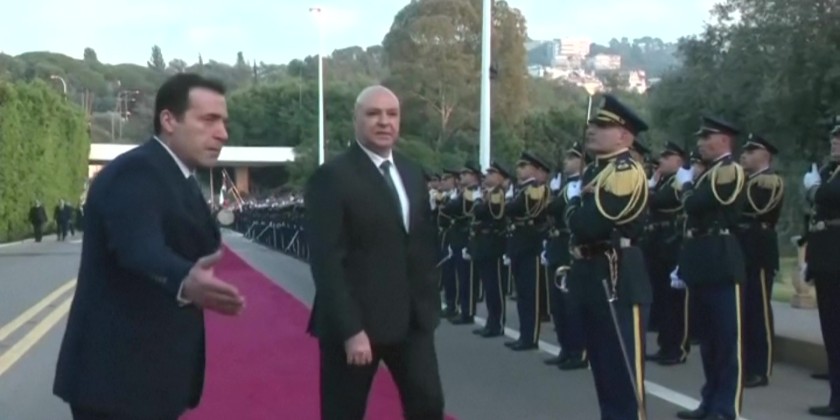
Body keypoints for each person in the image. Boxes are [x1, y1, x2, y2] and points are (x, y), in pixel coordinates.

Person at [53, 73, 246, 420]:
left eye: (224, 122)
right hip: (118, 382)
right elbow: (140, 248)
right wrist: (184, 279)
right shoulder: (137, 172)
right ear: (169, 120)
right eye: (208, 120)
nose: (222, 133)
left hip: (151, 377)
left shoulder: (181, 177)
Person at [304, 85, 445, 420]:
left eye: (392, 114)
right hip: (357, 325)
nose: (384, 122)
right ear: (356, 119)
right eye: (373, 114)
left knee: (428, 405)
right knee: (344, 413)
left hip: (412, 321)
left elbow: (421, 243)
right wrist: (351, 330)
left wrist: (428, 301)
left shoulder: (411, 172)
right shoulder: (331, 177)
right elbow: (327, 261)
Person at [565, 94, 651, 419]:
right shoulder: (595, 171)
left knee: (622, 373)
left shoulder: (625, 170)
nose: (592, 130)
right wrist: (575, 210)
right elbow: (575, 220)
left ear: (624, 136)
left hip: (617, 275)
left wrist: (574, 209)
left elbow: (589, 223)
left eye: (602, 126)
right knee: (603, 370)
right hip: (593, 272)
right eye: (593, 124)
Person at [674, 116, 746, 420]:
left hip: (720, 257)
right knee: (708, 340)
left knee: (726, 340)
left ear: (725, 140)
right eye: (700, 137)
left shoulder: (729, 169)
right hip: (701, 257)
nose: (700, 143)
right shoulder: (708, 173)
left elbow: (697, 204)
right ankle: (709, 401)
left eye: (707, 137)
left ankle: (725, 407)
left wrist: (687, 186)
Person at [736, 133, 784, 388]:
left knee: (758, 311)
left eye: (750, 152)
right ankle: (746, 365)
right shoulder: (747, 180)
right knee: (745, 310)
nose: (744, 155)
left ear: (765, 155)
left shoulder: (769, 181)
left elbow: (756, 208)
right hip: (743, 248)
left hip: (759, 250)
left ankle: (760, 368)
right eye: (744, 151)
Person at [802, 124, 840, 417]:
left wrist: (814, 188)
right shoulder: (830, 171)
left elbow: (828, 196)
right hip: (827, 259)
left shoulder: (829, 179)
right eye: (834, 138)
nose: (835, 142)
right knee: (832, 331)